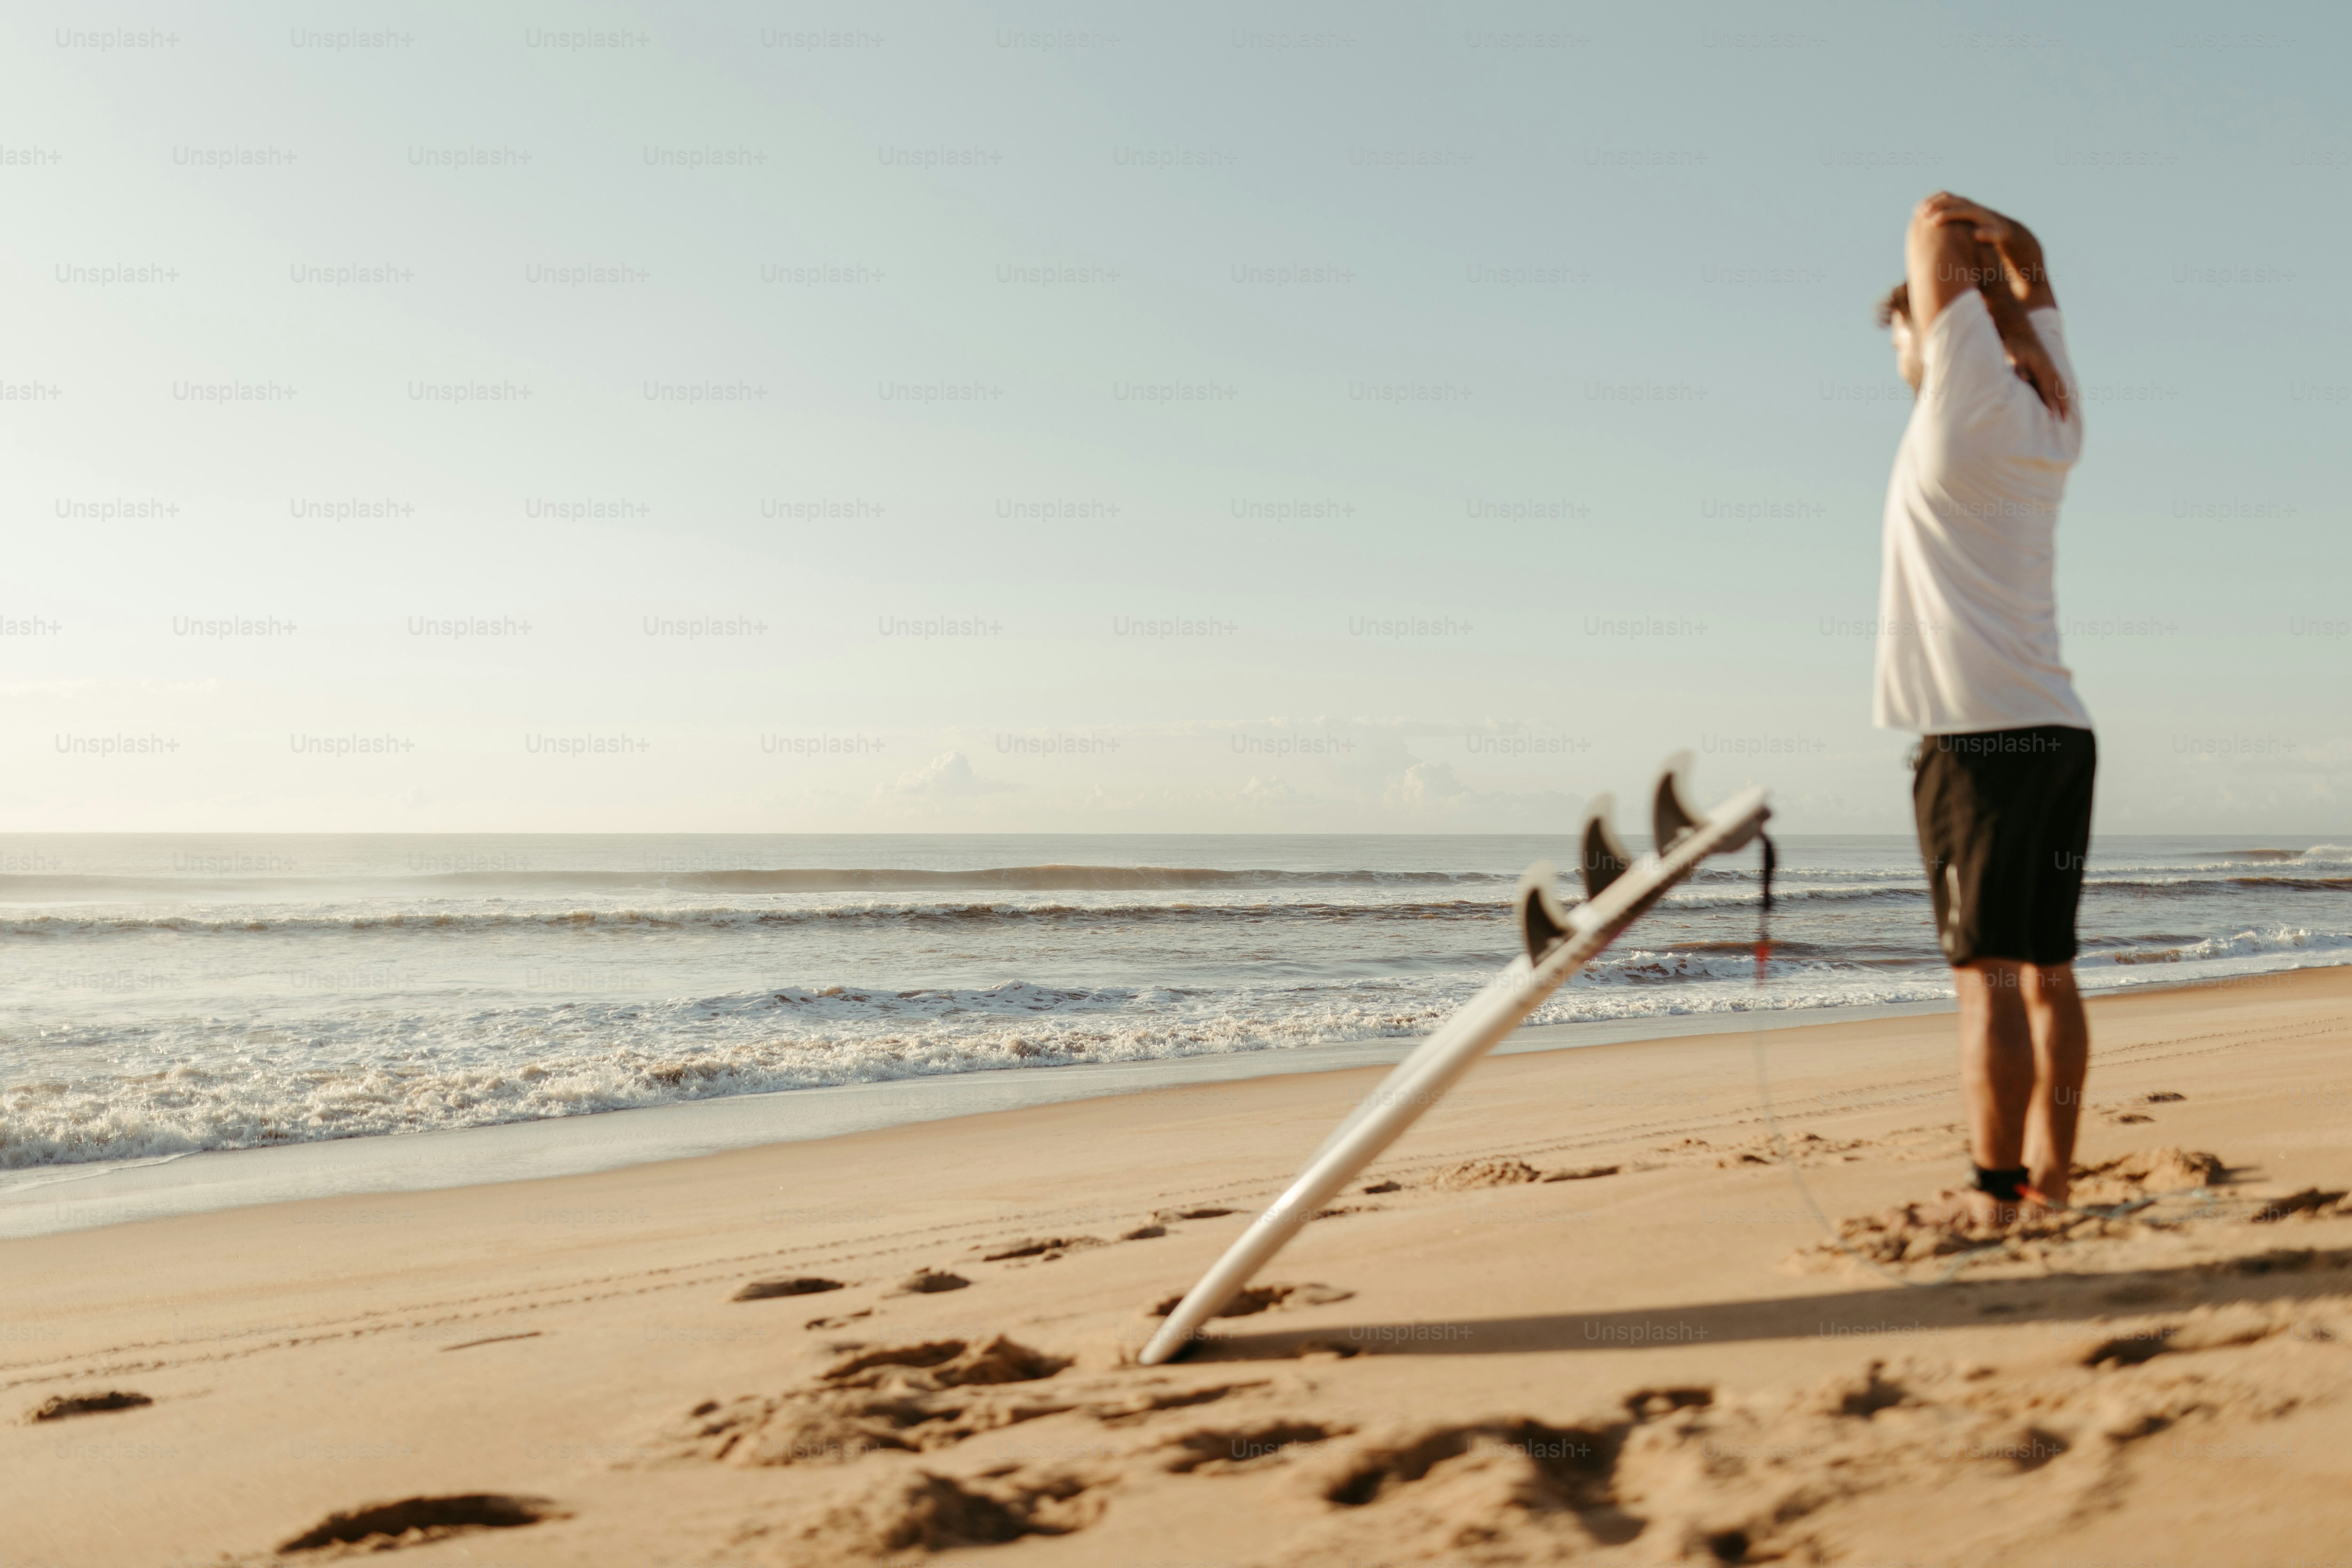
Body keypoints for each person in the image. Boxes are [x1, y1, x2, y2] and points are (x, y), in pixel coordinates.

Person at [1873, 192, 2094, 1226]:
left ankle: (1996, 1198)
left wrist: (1953, 216)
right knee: (2046, 973)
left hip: (1981, 741)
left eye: (1903, 327)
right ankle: (2049, 1177)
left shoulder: (1963, 395)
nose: (1899, 350)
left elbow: (1934, 229)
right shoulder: (2053, 407)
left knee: (1989, 981)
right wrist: (2014, 282)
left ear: (1943, 323)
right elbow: (2033, 259)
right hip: (2056, 733)